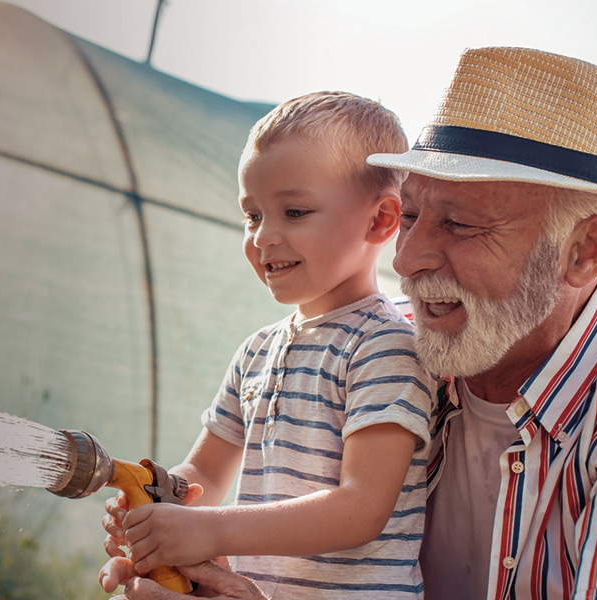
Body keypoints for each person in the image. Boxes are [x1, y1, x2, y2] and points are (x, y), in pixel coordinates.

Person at [102, 46, 597, 600]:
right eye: (412, 214)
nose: (407, 258)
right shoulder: (416, 351)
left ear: (584, 251)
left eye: (461, 224)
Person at [102, 91, 436, 600]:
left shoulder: (385, 347)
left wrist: (209, 530)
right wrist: (157, 508)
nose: (263, 238)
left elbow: (361, 508)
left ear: (380, 221)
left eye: (295, 212)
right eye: (252, 216)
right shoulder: (257, 351)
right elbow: (205, 475)